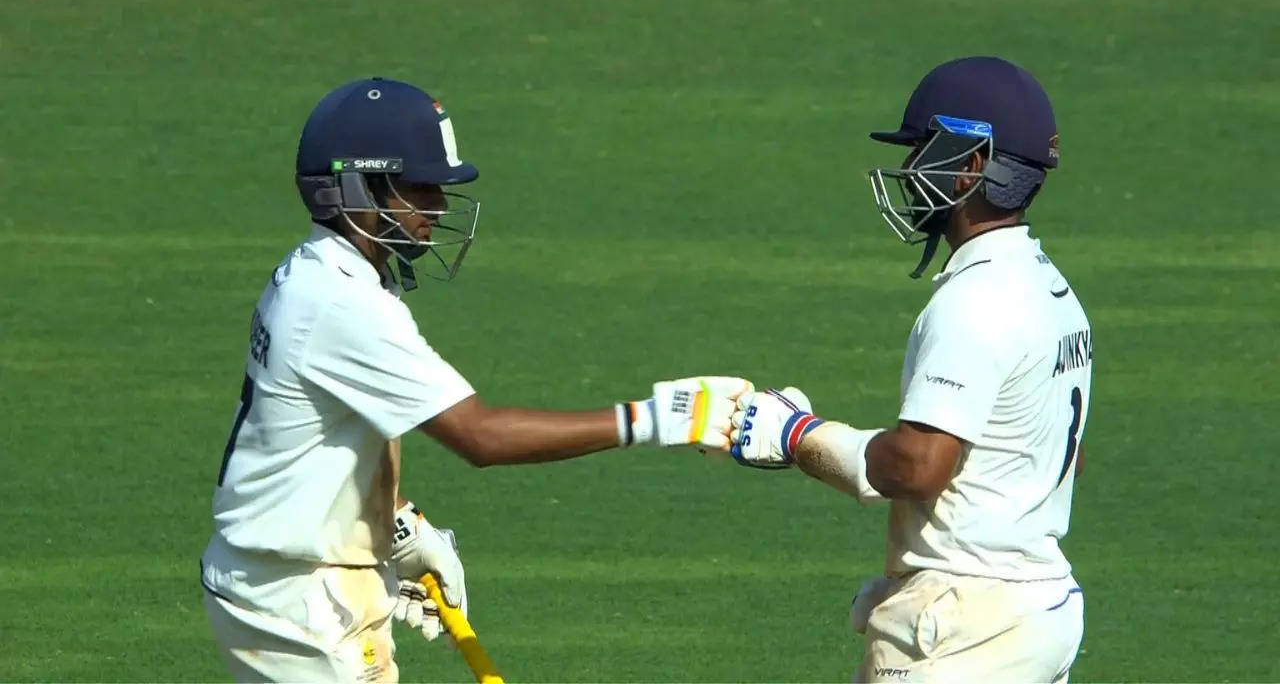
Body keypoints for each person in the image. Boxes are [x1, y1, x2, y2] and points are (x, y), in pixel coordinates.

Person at [199, 76, 750, 682]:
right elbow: (480, 436)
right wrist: (655, 418)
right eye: (419, 187)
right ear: (356, 187)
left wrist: (397, 527)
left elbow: (321, 437)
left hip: (280, 577)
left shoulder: (322, 275)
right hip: (299, 600)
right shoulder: (340, 304)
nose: (437, 206)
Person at [722, 57, 1091, 682]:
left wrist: (798, 437)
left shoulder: (975, 300)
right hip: (1041, 609)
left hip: (968, 625)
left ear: (971, 164)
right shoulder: (1053, 291)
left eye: (924, 150)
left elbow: (919, 467)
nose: (912, 170)